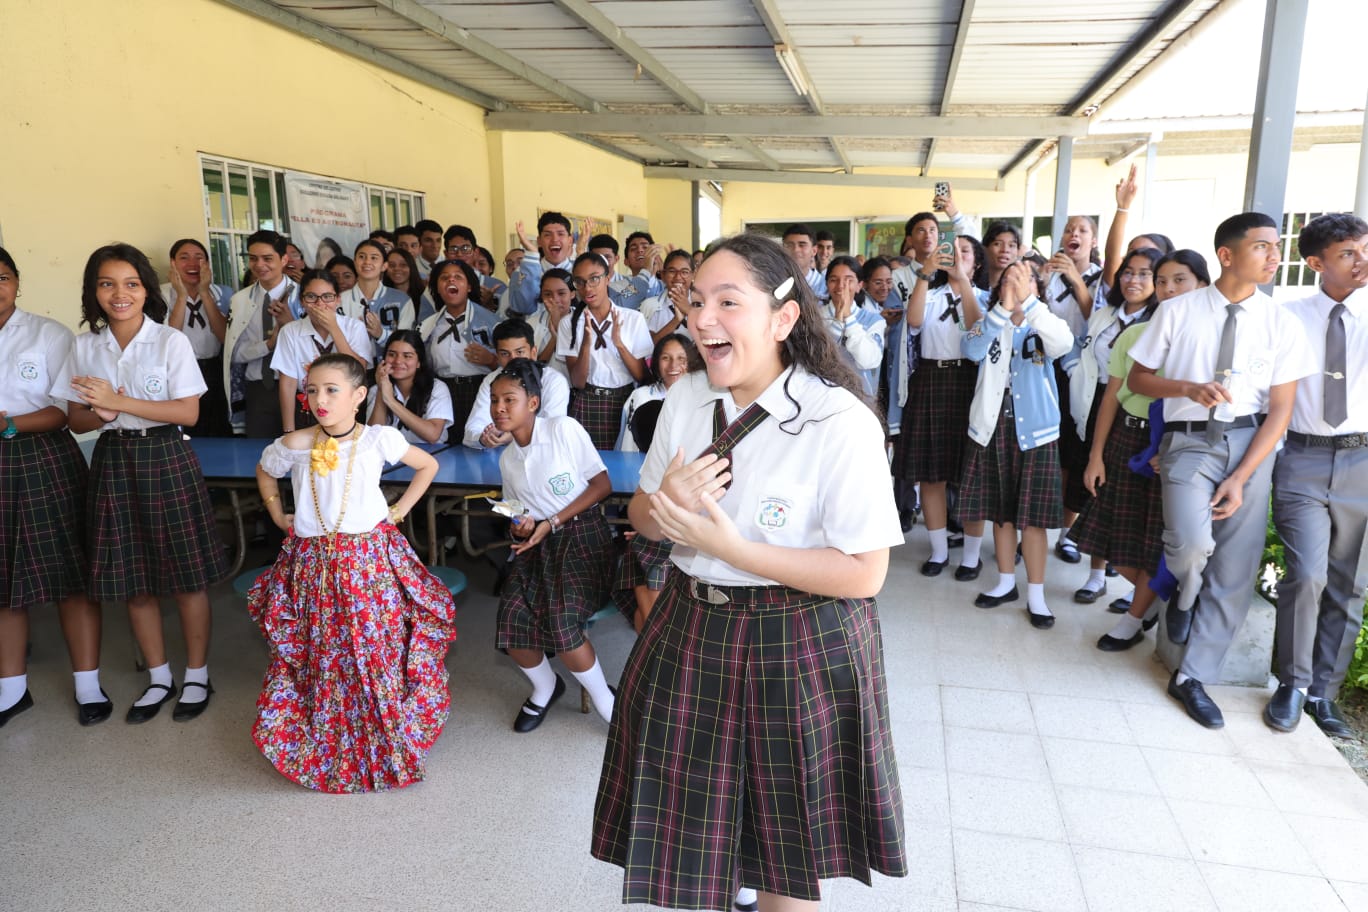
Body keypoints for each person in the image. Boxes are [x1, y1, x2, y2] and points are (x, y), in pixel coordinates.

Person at [592, 233, 906, 912]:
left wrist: (733, 548)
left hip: (797, 642)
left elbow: (864, 574)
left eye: (728, 302)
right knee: (693, 835)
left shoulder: (837, 419)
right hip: (690, 625)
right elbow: (644, 518)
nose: (703, 319)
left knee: (785, 858)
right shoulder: (684, 401)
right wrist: (664, 506)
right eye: (697, 300)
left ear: (784, 318)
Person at [1128, 212, 1315, 729]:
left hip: (1250, 444)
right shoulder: (1178, 310)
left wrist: (1243, 475)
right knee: (1189, 544)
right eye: (1263, 247)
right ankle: (1184, 593)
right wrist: (1186, 388)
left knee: (1235, 566)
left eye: (1278, 246)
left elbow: (1281, 410)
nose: (1275, 256)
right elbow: (1139, 380)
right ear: (1227, 255)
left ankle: (1192, 677)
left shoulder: (1281, 322)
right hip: (1189, 442)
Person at [249, 353, 456, 792]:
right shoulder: (294, 444)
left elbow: (428, 465)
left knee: (372, 650)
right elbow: (265, 474)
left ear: (359, 396)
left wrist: (397, 511)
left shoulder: (377, 439)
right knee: (323, 652)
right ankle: (328, 736)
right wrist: (278, 515)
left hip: (368, 565)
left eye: (331, 390)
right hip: (313, 566)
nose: (319, 400)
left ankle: (382, 737)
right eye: (311, 391)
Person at [53, 243, 227, 723]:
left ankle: (196, 675)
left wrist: (120, 404)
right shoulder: (84, 346)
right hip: (112, 460)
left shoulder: (170, 341)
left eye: (130, 283)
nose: (119, 294)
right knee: (133, 578)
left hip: (165, 455)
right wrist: (103, 411)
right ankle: (159, 676)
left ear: (146, 289)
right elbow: (79, 421)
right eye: (107, 284)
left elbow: (187, 411)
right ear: (94, 292)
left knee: (187, 577)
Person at [1266, 213, 1368, 736]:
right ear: (1315, 263)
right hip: (1304, 456)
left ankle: (1322, 694)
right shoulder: (1287, 317)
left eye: (1366, 249)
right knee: (1307, 575)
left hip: (1363, 461)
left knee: (1350, 585)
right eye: (1349, 252)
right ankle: (1292, 682)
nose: (1362, 260)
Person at [0, 247, 106, 728]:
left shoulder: (49, 334)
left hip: (44, 457)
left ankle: (88, 685)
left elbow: (67, 412)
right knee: (4, 581)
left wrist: (7, 426)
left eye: (2, 277)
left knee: (71, 576)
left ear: (17, 282)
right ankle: (12, 689)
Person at [1087, 249, 1212, 650]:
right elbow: (1111, 398)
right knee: (1114, 540)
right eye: (1162, 281)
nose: (1169, 289)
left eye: (1180, 280)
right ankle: (1154, 598)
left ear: (1203, 286)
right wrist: (1096, 455)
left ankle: (1133, 618)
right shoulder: (1135, 335)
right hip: (1127, 438)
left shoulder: (1207, 343)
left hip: (1174, 445)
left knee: (1153, 542)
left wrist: (1173, 447)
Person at [489, 358, 617, 732]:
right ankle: (545, 687)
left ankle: (607, 701)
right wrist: (520, 527)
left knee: (562, 624)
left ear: (532, 402)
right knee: (511, 622)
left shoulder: (563, 429)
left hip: (583, 539)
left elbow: (602, 485)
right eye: (495, 400)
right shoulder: (508, 458)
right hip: (539, 546)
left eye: (509, 399)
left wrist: (553, 521)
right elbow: (516, 513)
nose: (499, 408)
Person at [958, 261, 1075, 629]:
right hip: (991, 428)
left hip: (1036, 432)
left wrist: (1030, 304)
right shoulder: (989, 322)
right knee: (1002, 512)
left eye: (1024, 282)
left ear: (1037, 289)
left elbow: (1063, 343)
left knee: (1035, 521)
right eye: (1008, 281)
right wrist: (1002, 310)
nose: (1016, 287)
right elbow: (972, 349)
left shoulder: (1046, 324)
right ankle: (1005, 581)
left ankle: (1036, 595)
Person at [1065, 246, 1164, 604]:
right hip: (1094, 405)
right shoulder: (1105, 314)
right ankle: (1096, 576)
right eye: (1128, 271)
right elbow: (1083, 350)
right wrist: (1076, 374)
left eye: (1144, 274)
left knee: (1140, 509)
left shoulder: (1158, 324)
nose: (1133, 280)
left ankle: (1139, 593)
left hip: (1141, 419)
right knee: (1100, 492)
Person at [902, 235, 990, 578]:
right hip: (930, 379)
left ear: (976, 263)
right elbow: (912, 321)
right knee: (932, 475)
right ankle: (938, 551)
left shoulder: (985, 298)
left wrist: (963, 282)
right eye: (950, 252)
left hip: (970, 383)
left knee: (971, 474)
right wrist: (925, 274)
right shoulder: (931, 293)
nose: (956, 257)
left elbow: (977, 326)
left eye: (964, 252)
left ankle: (971, 556)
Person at [611, 333, 697, 632]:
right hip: (653, 509)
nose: (674, 366)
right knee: (648, 613)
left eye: (682, 359)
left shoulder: (705, 403)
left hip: (688, 522)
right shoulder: (644, 399)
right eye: (666, 358)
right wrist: (642, 518)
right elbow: (633, 460)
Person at [1045, 216, 1105, 565]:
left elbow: (1094, 318)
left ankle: (1067, 534)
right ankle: (1039, 528)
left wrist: (1074, 279)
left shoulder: (1100, 278)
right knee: (1049, 454)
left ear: (1093, 240)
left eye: (1082, 231)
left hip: (1081, 375)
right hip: (1045, 369)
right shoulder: (1049, 276)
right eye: (1069, 230)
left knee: (1074, 453)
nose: (1073, 235)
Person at [559, 252, 652, 449]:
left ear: (608, 277)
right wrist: (585, 344)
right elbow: (577, 381)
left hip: (625, 400)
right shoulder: (569, 324)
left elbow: (641, 375)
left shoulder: (633, 318)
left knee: (625, 465)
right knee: (588, 469)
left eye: (594, 279)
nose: (587, 288)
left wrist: (619, 343)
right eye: (580, 282)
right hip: (588, 401)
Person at [271, 270, 372, 433]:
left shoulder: (354, 327)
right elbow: (288, 383)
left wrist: (334, 328)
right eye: (311, 297)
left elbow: (359, 371)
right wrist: (288, 430)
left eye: (327, 297)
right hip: (307, 409)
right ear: (302, 301)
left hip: (347, 409)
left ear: (338, 299)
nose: (320, 304)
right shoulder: (290, 332)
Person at [225, 230, 302, 437]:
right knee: (260, 455)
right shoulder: (239, 300)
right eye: (253, 259)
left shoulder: (303, 296)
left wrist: (290, 325)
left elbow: (314, 346)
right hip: (259, 387)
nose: (259, 265)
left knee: (300, 451)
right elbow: (234, 354)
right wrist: (268, 345)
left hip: (300, 387)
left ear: (284, 259)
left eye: (267, 258)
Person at [463, 317, 570, 449]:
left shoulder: (554, 381)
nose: (513, 359)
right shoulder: (491, 380)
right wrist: (485, 438)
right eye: (504, 354)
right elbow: (471, 431)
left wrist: (513, 435)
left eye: (519, 352)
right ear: (497, 355)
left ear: (533, 353)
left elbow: (552, 430)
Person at [420, 258, 499, 437]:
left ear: (469, 286)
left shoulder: (491, 321)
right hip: (443, 394)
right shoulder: (428, 326)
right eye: (444, 278)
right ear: (437, 289)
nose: (451, 281)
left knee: (480, 441)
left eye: (458, 277)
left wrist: (492, 360)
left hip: (480, 390)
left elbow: (509, 363)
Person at [162, 238, 233, 437]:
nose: (192, 264)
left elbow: (223, 337)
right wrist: (182, 296)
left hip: (213, 369)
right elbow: (168, 338)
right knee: (187, 429)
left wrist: (204, 292)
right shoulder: (159, 295)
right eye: (184, 258)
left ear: (207, 264)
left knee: (218, 428)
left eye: (199, 258)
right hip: (178, 370)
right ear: (173, 263)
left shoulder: (222, 293)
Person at [367, 330, 454, 445]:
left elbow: (433, 435)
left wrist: (391, 401)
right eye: (392, 354)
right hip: (391, 457)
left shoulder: (437, 388)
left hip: (432, 456)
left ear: (419, 362)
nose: (398, 361)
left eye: (407, 356)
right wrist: (381, 390)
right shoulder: (375, 389)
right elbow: (372, 437)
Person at [820, 256, 884, 397]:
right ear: (827, 284)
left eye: (849, 280)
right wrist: (837, 321)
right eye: (833, 280)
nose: (841, 286)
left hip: (861, 398)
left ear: (859, 286)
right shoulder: (815, 317)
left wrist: (848, 317)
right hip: (823, 398)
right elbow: (821, 359)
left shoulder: (874, 320)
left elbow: (868, 361)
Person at [341, 240, 413, 349]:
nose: (367, 262)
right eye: (362, 257)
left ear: (384, 266)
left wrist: (380, 334)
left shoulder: (402, 300)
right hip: (351, 364)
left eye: (374, 258)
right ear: (355, 263)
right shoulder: (340, 300)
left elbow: (407, 344)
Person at [508, 212, 580, 315]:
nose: (555, 239)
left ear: (570, 240)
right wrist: (532, 254)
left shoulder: (579, 273)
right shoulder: (521, 272)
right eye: (547, 235)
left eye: (560, 234)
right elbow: (523, 307)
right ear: (539, 241)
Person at [638, 250, 693, 343]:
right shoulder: (649, 306)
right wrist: (676, 320)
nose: (678, 277)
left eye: (684, 272)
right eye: (672, 271)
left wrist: (690, 311)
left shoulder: (703, 304)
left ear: (693, 275)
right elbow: (647, 346)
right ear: (663, 275)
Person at [780, 223, 827, 299]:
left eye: (802, 245)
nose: (796, 250)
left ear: (814, 250)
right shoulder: (775, 281)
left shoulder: (825, 286)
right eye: (790, 245)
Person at [384, 247, 428, 322]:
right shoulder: (381, 296)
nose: (397, 269)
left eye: (403, 265)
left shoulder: (425, 296)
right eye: (392, 265)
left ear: (411, 267)